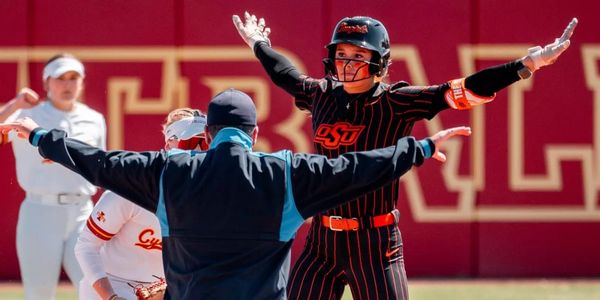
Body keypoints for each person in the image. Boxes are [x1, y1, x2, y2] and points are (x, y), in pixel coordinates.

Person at [232, 12, 578, 300]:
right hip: (322, 239)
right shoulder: (322, 94)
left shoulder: (395, 101)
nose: (347, 63)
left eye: (358, 55)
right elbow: (286, 75)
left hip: (375, 240)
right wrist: (260, 45)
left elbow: (460, 91)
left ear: (379, 63)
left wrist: (525, 65)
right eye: (342, 54)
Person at [1, 88, 469, 300]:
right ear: (255, 131)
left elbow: (101, 162)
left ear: (209, 130)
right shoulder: (285, 173)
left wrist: (41, 137)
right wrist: (419, 147)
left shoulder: (169, 172)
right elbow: (353, 168)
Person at [0, 53, 106, 299]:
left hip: (82, 212)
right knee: (39, 292)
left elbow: (98, 166)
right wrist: (15, 103)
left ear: (82, 82)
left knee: (94, 287)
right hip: (40, 211)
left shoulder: (94, 119)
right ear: (46, 83)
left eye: (73, 78)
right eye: (60, 78)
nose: (67, 85)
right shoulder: (27, 117)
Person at [75, 108, 208, 300]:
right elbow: (86, 245)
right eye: (193, 141)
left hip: (162, 290)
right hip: (109, 286)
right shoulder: (133, 186)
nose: (199, 150)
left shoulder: (207, 195)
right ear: (169, 143)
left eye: (205, 143)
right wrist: (111, 297)